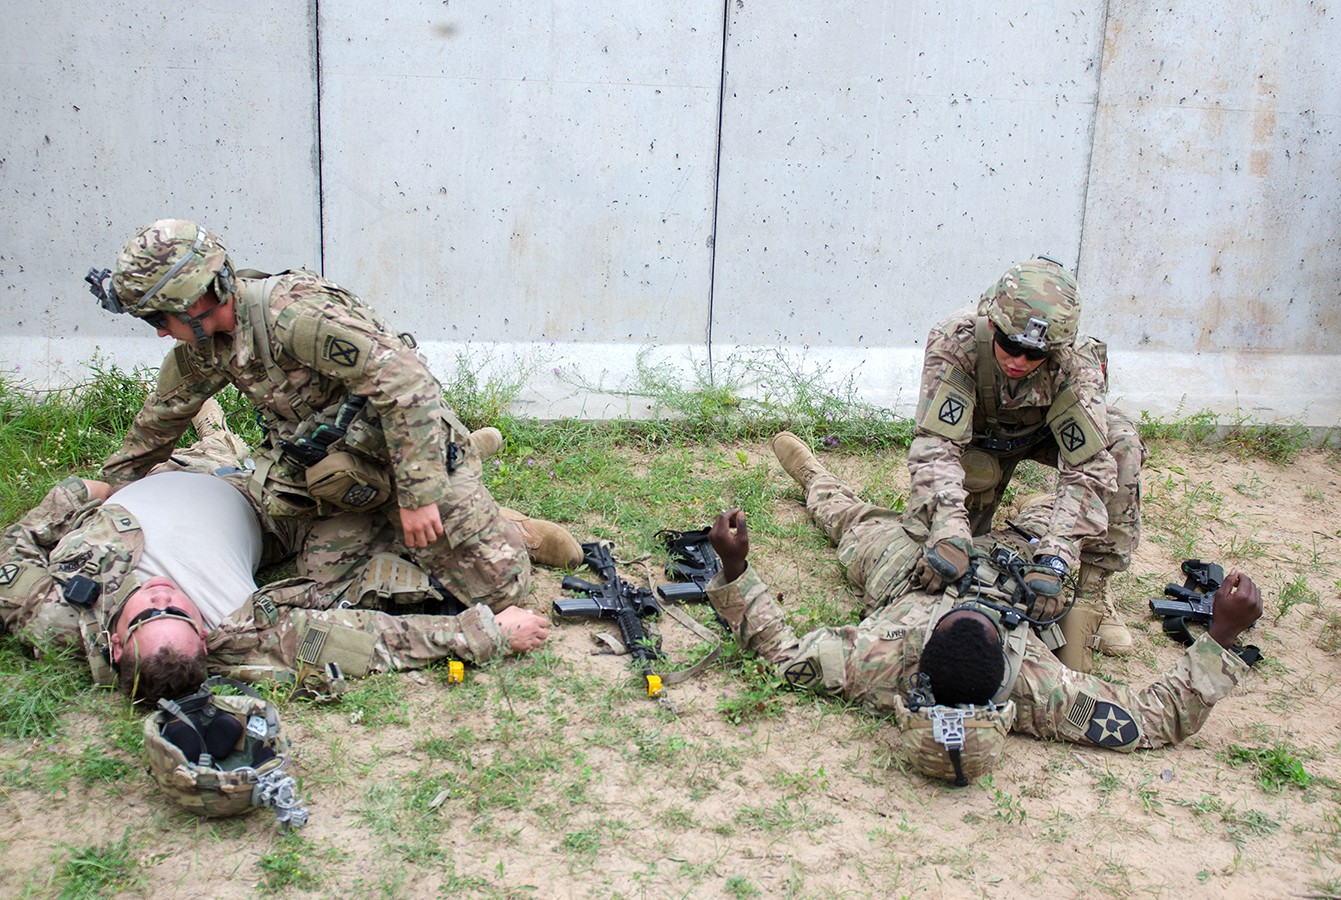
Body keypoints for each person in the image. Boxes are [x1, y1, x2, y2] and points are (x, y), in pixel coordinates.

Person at [86, 219, 580, 614]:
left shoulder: (295, 316)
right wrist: (110, 485)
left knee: (499, 594)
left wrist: (419, 497)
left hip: (406, 454)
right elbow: (163, 417)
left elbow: (407, 382)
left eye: (158, 318)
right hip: (340, 480)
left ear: (193, 298)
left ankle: (513, 528)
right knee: (330, 588)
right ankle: (425, 519)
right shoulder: (205, 347)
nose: (158, 333)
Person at [703, 437, 1262, 785]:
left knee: (853, 521)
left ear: (916, 679)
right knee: (1061, 517)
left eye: (954, 639)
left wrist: (736, 570)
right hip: (1018, 576)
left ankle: (814, 477)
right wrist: (1223, 635)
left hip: (912, 582)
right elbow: (1153, 719)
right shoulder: (1041, 691)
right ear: (1004, 693)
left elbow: (783, 655)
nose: (972, 628)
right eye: (984, 645)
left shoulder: (875, 660)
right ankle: (1015, 506)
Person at [0, 403, 549, 705]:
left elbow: (13, 548)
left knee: (220, 449)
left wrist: (78, 495)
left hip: (167, 471)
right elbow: (356, 641)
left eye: (148, 614)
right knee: (345, 477)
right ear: (203, 637)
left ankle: (214, 432)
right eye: (179, 614)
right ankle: (471, 485)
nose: (163, 596)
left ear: (116, 643)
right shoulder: (232, 635)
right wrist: (484, 634)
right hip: (274, 505)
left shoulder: (53, 615)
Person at [901, 256, 1147, 671]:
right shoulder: (955, 341)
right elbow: (938, 445)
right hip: (978, 441)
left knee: (1121, 445)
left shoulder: (1075, 364)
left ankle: (1092, 592)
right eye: (1010, 345)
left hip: (1046, 436)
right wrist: (949, 528)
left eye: (1035, 354)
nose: (1019, 361)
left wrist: (1058, 555)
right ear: (992, 325)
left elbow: (1087, 468)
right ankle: (1007, 515)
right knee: (953, 556)